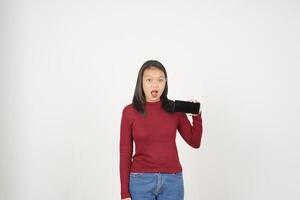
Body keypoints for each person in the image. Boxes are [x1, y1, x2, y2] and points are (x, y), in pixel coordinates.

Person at [119, 60, 203, 200]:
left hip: (172, 181)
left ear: (165, 82)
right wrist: (124, 194)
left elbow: (195, 142)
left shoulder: (175, 109)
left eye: (160, 80)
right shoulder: (129, 112)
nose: (155, 84)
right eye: (149, 80)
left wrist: (197, 117)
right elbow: (125, 153)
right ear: (141, 82)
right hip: (140, 181)